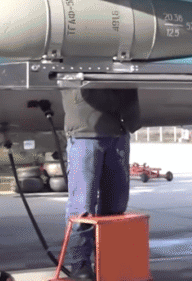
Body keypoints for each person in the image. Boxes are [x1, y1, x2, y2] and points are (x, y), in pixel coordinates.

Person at [61, 88, 142, 280]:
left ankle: (108, 261)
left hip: (117, 134)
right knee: (82, 208)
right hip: (85, 133)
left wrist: (132, 120)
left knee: (116, 206)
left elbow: (128, 87)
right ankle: (80, 265)